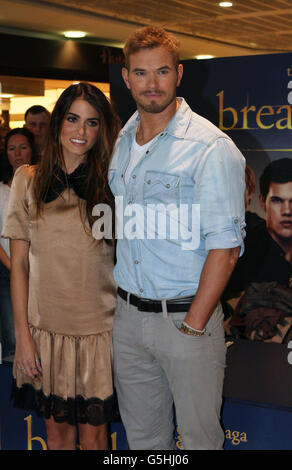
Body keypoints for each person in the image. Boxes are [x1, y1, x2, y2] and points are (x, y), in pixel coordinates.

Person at [108, 26, 246, 450]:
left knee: (201, 443)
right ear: (127, 78)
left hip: (186, 321)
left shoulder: (210, 147)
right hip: (129, 320)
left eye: (162, 71)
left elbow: (226, 247)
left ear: (179, 74)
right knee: (145, 443)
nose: (152, 84)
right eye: (141, 73)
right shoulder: (122, 139)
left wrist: (193, 326)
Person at [2, 83, 120, 450]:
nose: (81, 132)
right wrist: (23, 337)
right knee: (56, 435)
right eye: (72, 119)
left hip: (100, 331)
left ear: (102, 130)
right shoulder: (27, 180)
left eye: (92, 123)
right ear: (58, 124)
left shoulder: (112, 184)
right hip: (44, 331)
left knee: (96, 436)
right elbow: (18, 265)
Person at [0, 128, 36, 362]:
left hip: (43, 271)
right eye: (12, 149)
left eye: (23, 147)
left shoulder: (42, 185)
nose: (18, 153)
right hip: (7, 271)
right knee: (13, 339)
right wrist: (14, 267)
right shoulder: (1, 190)